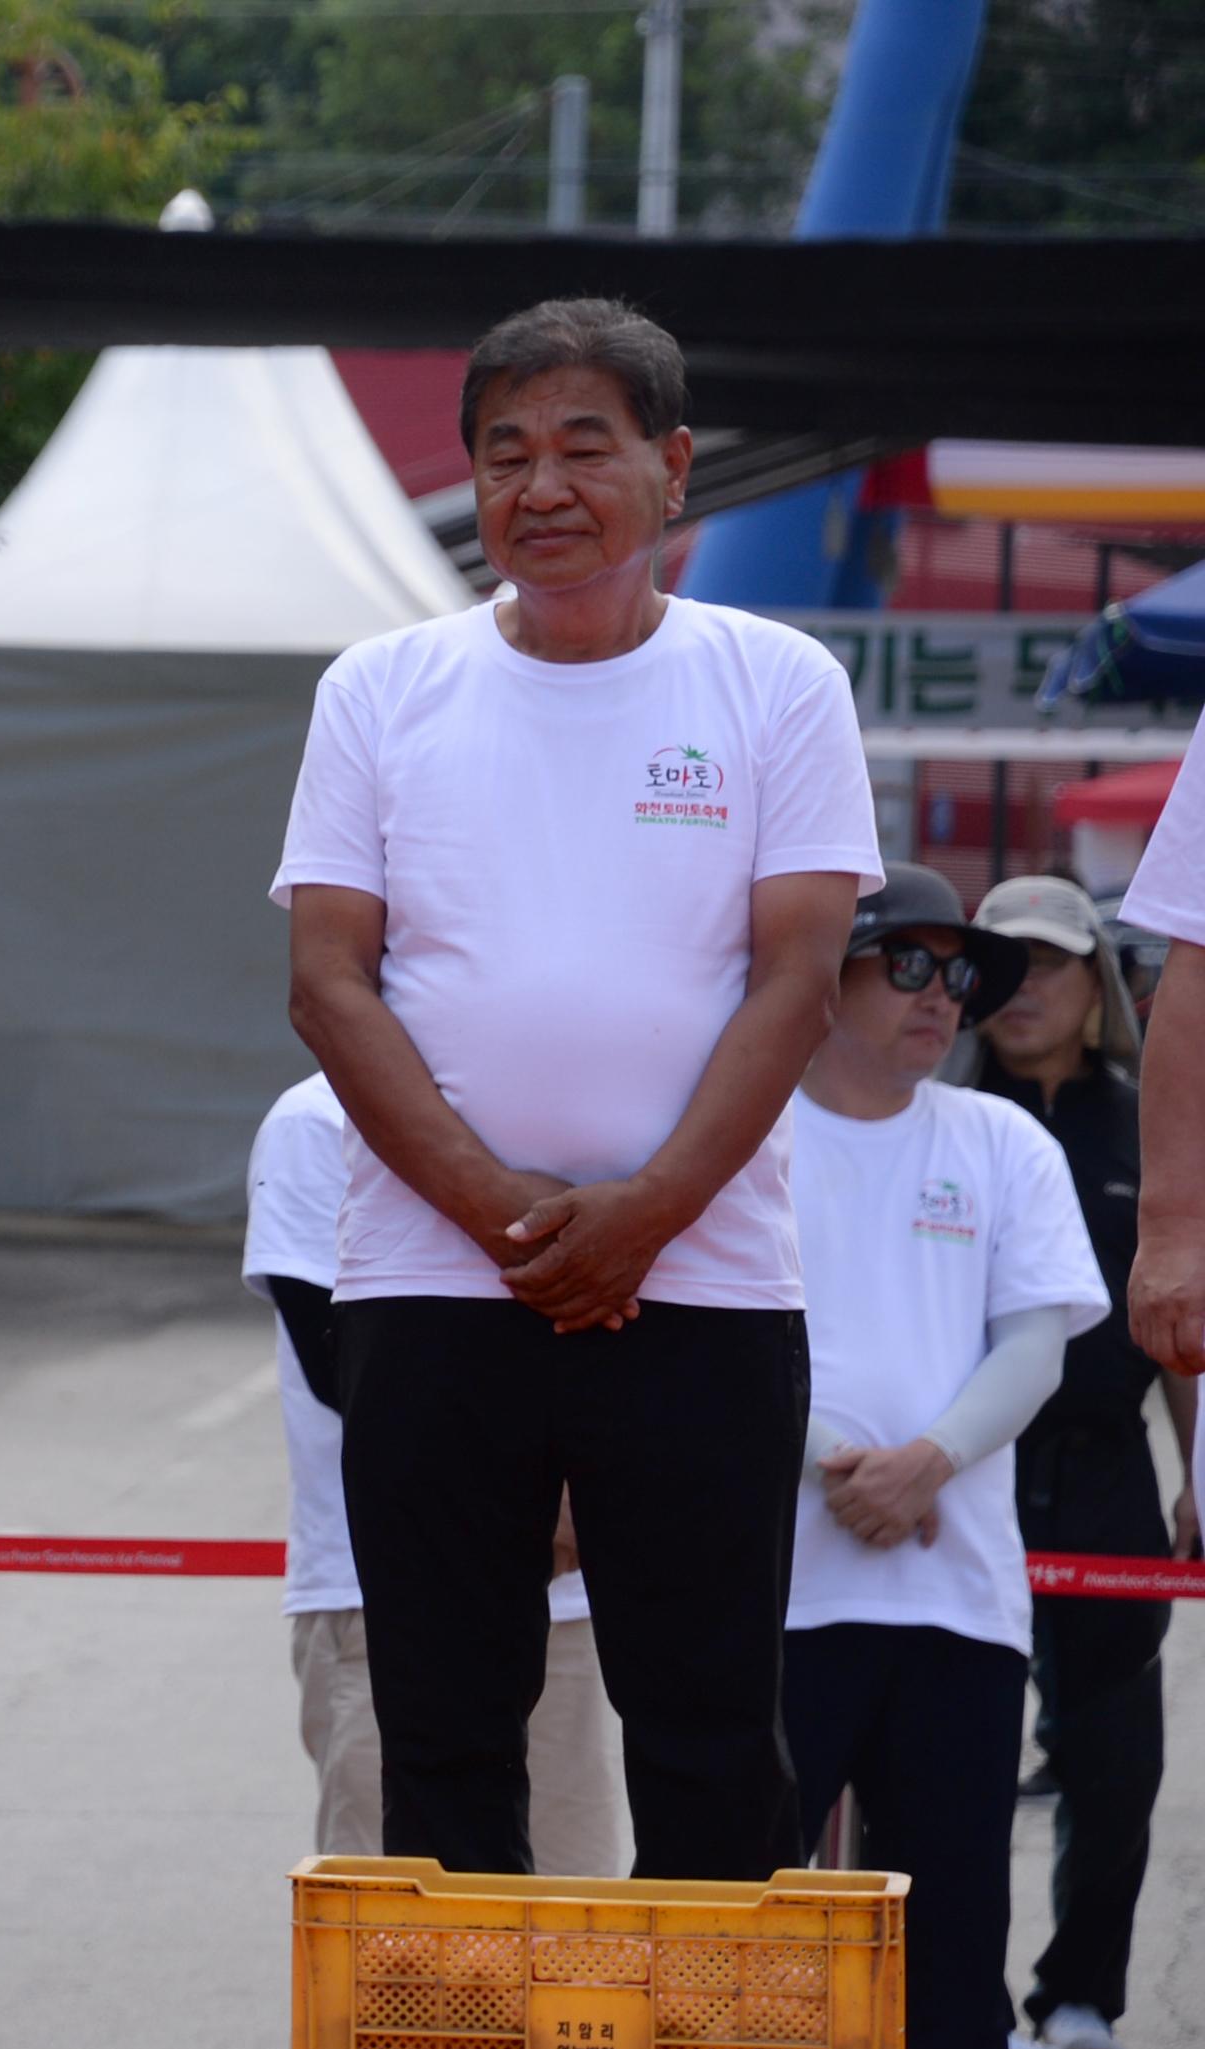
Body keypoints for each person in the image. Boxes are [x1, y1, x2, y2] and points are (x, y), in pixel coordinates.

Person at [273, 298, 880, 1881]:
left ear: (673, 469)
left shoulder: (779, 684)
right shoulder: (381, 689)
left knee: (709, 1736)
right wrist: (512, 1219)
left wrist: (645, 1217)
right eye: (506, 454)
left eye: (583, 448)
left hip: (706, 1289)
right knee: (450, 1740)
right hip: (430, 1285)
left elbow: (798, 978)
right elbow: (330, 979)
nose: (541, 487)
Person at [781, 864, 1099, 2049]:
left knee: (951, 1942)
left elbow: (1034, 1342)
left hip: (955, 1601)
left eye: (956, 972)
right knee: (732, 1915)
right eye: (905, 962)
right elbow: (711, 1341)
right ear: (827, 976)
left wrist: (926, 1461)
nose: (939, 994)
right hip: (774, 1595)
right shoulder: (742, 1137)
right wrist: (831, 1465)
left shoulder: (998, 1140)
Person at [243, 1073, 627, 1873]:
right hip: (386, 1595)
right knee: (403, 1954)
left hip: (562, 1604)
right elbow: (339, 1363)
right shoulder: (320, 1116)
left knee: (577, 1945)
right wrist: (545, 1488)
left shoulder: (563, 1114)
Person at [967, 873, 1196, 2049]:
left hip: (1104, 1474)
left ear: (1092, 978)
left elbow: (1180, 1316)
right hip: (957, 1480)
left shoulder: (1141, 1125)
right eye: (996, 964)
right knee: (948, 1750)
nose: (1021, 988)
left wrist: (1193, 1469)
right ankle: (965, 2000)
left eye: (1045, 962)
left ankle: (1078, 1996)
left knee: (1111, 1753)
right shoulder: (939, 1117)